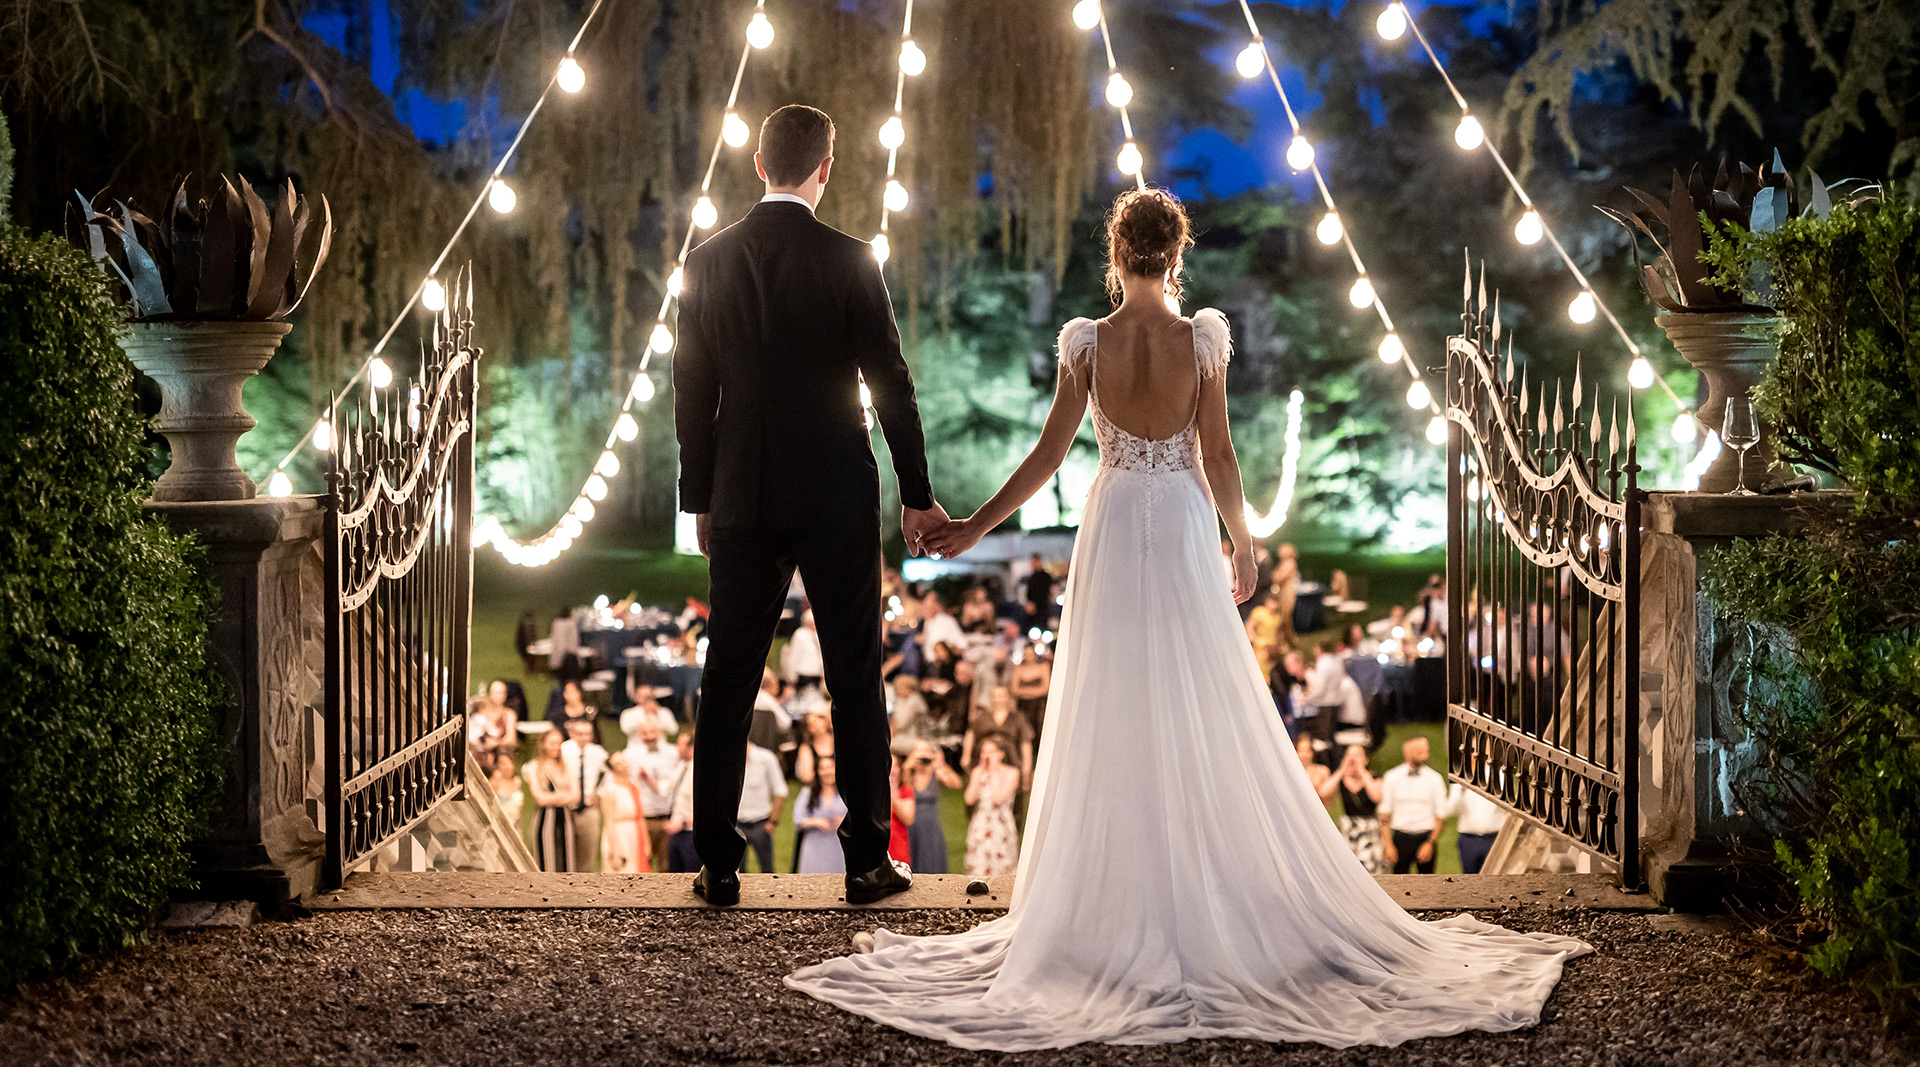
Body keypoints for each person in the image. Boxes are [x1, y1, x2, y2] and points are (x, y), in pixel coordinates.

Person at [788, 187, 1587, 1050]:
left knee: (1113, 705)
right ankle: (1194, 891)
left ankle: (1112, 903)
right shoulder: (1200, 339)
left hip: (1113, 517)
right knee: (1200, 700)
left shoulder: (1086, 343)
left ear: (1114, 252)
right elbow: (1218, 453)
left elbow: (1050, 455)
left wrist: (974, 524)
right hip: (1175, 523)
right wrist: (1240, 541)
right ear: (1176, 255)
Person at [674, 104, 943, 908]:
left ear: (759, 164)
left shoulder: (709, 260)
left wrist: (700, 497)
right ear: (825, 168)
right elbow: (891, 384)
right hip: (834, 489)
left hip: (744, 493)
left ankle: (718, 863)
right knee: (855, 672)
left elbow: (692, 394)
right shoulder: (854, 260)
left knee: (729, 674)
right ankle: (866, 860)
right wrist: (917, 494)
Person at [1379, 736, 1449, 875]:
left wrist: (1430, 843)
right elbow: (1384, 813)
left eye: (1425, 751)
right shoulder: (1392, 777)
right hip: (1400, 838)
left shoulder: (1434, 779)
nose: (1425, 755)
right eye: (1419, 751)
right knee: (1398, 882)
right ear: (1407, 752)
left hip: (1425, 837)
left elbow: (1441, 815)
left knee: (1428, 883)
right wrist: (1388, 844)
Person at [625, 711, 683, 873]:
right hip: (643, 819)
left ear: (660, 732)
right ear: (639, 734)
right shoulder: (630, 755)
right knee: (641, 863)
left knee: (667, 866)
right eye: (645, 733)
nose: (649, 736)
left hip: (666, 817)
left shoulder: (673, 754)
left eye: (653, 732)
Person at [962, 734, 1020, 880]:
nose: (987, 756)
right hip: (981, 824)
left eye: (991, 752)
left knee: (1001, 867)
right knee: (979, 866)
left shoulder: (1011, 773)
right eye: (984, 752)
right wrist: (978, 775)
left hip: (1001, 825)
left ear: (1001, 754)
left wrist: (993, 772)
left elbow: (998, 798)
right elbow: (969, 799)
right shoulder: (978, 772)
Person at [902, 740, 962, 874]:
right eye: (919, 751)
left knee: (931, 858)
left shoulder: (935, 772)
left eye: (925, 751)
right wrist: (907, 767)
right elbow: (901, 788)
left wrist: (942, 766)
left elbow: (956, 784)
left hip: (930, 825)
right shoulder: (909, 772)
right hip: (911, 825)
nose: (922, 755)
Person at [522, 729, 577, 872]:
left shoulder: (567, 766)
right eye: (552, 743)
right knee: (546, 863)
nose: (556, 747)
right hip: (544, 819)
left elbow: (576, 795)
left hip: (566, 819)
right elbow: (540, 798)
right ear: (543, 744)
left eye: (559, 743)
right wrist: (562, 796)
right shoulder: (533, 767)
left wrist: (552, 797)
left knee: (567, 862)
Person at [561, 717, 609, 871]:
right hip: (566, 808)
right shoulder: (563, 750)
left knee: (587, 854)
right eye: (580, 734)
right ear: (572, 734)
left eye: (588, 734)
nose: (584, 738)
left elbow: (612, 772)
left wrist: (599, 793)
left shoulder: (597, 752)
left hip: (588, 808)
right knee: (565, 853)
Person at [736, 739, 788, 874]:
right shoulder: (728, 759)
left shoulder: (766, 758)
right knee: (736, 871)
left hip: (761, 823)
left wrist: (773, 821)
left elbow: (780, 790)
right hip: (737, 824)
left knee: (767, 870)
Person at [1334, 744, 1387, 873]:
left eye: (1357, 755)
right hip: (1349, 830)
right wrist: (1342, 769)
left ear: (1365, 759)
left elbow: (1375, 796)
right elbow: (1324, 791)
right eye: (1349, 756)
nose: (1353, 760)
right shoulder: (1342, 780)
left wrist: (1362, 771)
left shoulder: (1374, 779)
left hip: (1370, 830)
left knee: (1372, 869)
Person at [794, 755, 850, 874]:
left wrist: (845, 821)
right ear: (817, 772)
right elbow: (798, 820)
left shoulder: (846, 794)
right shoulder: (808, 793)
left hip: (839, 847)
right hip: (814, 847)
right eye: (822, 768)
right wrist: (816, 822)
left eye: (830, 767)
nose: (827, 772)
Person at [599, 750, 648, 873]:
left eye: (624, 761)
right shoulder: (610, 790)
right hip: (618, 834)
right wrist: (616, 850)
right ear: (613, 769)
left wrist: (646, 842)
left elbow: (640, 816)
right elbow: (608, 821)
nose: (624, 765)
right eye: (618, 763)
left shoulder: (635, 787)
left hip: (634, 833)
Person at [1449, 781, 1507, 875]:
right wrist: (1462, 791)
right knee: (1470, 878)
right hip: (1469, 839)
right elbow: (1452, 809)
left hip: (1493, 838)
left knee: (1495, 876)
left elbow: (1506, 807)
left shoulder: (1499, 774)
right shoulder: (1459, 775)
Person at [665, 730, 700, 873]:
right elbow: (668, 790)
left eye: (680, 744)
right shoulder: (681, 766)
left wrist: (684, 822)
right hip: (676, 832)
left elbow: (708, 810)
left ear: (691, 748)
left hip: (692, 834)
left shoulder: (700, 772)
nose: (676, 748)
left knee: (690, 875)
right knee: (674, 875)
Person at [1008, 641, 1051, 738]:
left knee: (1040, 728)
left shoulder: (1043, 667)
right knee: (1024, 730)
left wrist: (1024, 691)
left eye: (1030, 654)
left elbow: (1045, 688)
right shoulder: (1019, 668)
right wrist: (1035, 691)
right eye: (1026, 654)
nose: (1028, 656)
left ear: (1035, 654)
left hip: (1039, 705)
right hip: (1024, 705)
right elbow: (1014, 690)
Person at [1244, 590, 1286, 677]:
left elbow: (1279, 633)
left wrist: (1281, 645)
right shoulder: (1259, 612)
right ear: (1267, 601)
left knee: (1273, 670)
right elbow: (1249, 626)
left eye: (1276, 602)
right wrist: (1253, 638)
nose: (1274, 605)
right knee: (1260, 669)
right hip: (1260, 646)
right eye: (1272, 601)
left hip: (1273, 646)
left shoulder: (1278, 617)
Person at [794, 705, 836, 787]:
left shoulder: (839, 743)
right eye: (811, 719)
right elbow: (806, 777)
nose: (813, 721)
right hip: (817, 790)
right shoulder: (806, 748)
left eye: (820, 718)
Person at [782, 610, 824, 691]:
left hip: (817, 674)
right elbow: (794, 655)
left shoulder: (817, 635)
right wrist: (792, 676)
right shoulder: (800, 634)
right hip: (803, 675)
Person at [489, 751, 524, 830]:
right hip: (499, 828)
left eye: (509, 763)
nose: (507, 767)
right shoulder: (495, 782)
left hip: (516, 828)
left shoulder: (518, 781)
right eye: (503, 764)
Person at [1022, 553, 1054, 634]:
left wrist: (1034, 603)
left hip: (1042, 607)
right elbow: (1029, 592)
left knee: (1042, 626)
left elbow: (1045, 593)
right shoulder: (1031, 577)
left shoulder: (1045, 577)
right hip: (1033, 608)